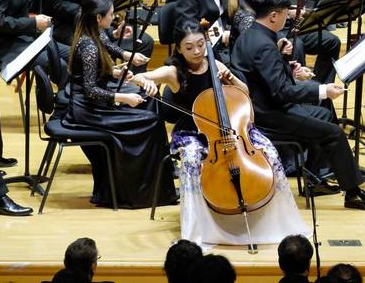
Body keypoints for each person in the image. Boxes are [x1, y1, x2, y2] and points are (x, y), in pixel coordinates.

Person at [132, 20, 309, 244]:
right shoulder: (173, 72)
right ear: (178, 48)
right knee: (192, 159)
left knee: (269, 151)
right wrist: (144, 82)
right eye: (189, 47)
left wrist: (232, 79)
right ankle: (200, 226)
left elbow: (243, 95)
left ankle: (270, 221)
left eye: (200, 45)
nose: (197, 51)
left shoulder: (215, 63)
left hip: (230, 128)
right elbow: (138, 76)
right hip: (193, 132)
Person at [231, 0, 365, 211]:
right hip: (268, 115)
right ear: (273, 16)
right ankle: (353, 193)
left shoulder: (251, 35)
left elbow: (265, 76)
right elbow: (282, 92)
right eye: (286, 13)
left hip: (260, 105)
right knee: (333, 132)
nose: (289, 17)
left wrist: (287, 66)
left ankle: (313, 178)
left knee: (324, 114)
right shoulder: (263, 45)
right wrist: (323, 90)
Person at [61, 0, 175, 208]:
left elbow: (92, 74)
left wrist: (115, 73)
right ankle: (140, 190)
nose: (113, 18)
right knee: (150, 122)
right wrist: (123, 97)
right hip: (88, 111)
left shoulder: (92, 34)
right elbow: (90, 90)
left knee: (149, 104)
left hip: (91, 104)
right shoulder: (89, 46)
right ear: (98, 17)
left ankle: (154, 185)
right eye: (111, 14)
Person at [0, 0, 53, 168]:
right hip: (1, 46)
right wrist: (32, 23)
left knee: (54, 52)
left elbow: (26, 5)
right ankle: (56, 104)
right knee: (46, 60)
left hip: (17, 38)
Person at [81, 0, 153, 74]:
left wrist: (115, 33)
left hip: (105, 67)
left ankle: (137, 82)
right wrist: (127, 55)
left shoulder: (97, 9)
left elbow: (103, 37)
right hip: (93, 81)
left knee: (145, 40)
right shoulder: (85, 14)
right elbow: (103, 42)